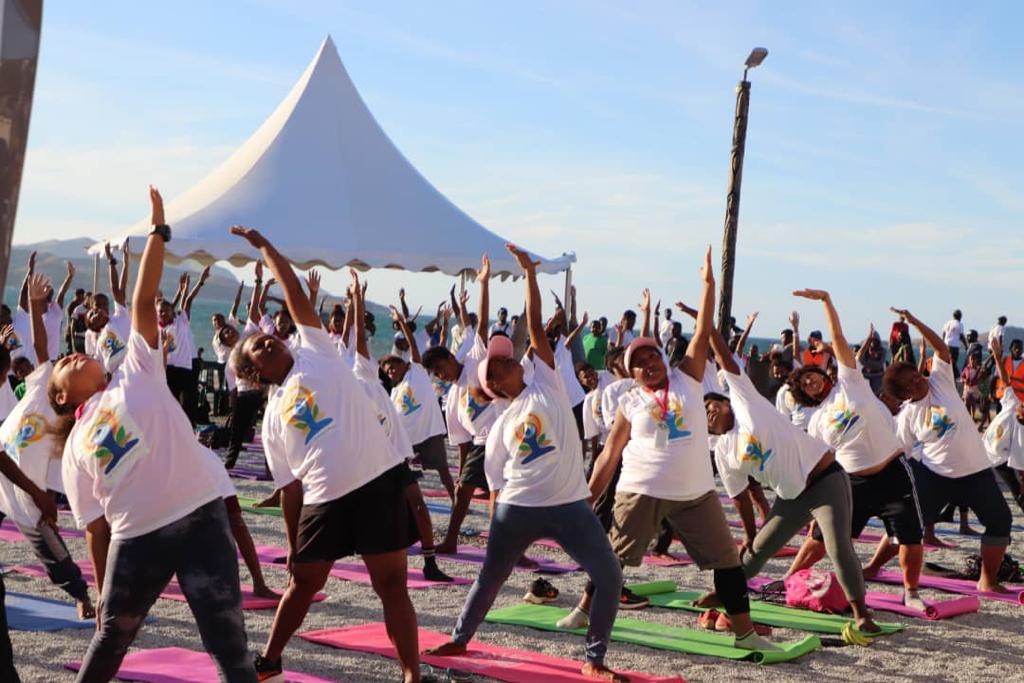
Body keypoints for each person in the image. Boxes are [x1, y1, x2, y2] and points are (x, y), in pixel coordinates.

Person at [50, 187, 256, 682]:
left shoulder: (139, 371)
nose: (73, 356)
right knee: (110, 639)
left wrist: (157, 231)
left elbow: (142, 298)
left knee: (229, 646)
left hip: (201, 517)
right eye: (63, 364)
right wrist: (100, 593)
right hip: (135, 537)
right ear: (62, 398)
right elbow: (95, 528)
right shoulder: (75, 447)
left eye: (75, 354)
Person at [228, 225, 433, 683]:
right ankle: (270, 659)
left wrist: (267, 248)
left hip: (376, 483)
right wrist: (292, 543)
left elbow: (296, 294)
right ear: (254, 374)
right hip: (324, 500)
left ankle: (411, 675)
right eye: (257, 349)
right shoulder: (272, 418)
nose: (268, 341)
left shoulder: (316, 353)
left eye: (268, 338)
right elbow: (289, 488)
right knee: (303, 583)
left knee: (392, 586)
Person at [424, 243, 627, 683]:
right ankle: (460, 638)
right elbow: (495, 479)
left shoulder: (547, 386)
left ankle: (594, 659)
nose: (514, 358)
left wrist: (531, 275)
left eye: (510, 355)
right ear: (495, 381)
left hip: (570, 504)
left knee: (608, 575)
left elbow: (535, 330)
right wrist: (499, 518)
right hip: (517, 506)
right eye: (503, 361)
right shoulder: (500, 424)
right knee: (490, 577)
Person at [564, 248, 775, 650]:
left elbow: (702, 333)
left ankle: (746, 634)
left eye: (652, 356)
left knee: (727, 560)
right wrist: (588, 495)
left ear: (663, 359)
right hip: (640, 489)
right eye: (639, 362)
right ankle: (584, 608)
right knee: (615, 556)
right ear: (632, 371)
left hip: (696, 493)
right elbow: (610, 453)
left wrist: (708, 284)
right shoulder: (630, 401)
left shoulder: (688, 378)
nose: (648, 364)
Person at [704, 324, 880, 633]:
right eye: (703, 414)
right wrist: (748, 535)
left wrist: (707, 327)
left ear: (723, 401)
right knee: (755, 551)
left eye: (711, 405)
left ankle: (861, 613)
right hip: (790, 496)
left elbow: (725, 358)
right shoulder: (723, 452)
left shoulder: (746, 402)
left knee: (838, 547)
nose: (709, 412)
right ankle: (727, 597)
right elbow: (740, 497)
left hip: (826, 480)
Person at [776, 290, 925, 611]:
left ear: (823, 374)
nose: (811, 382)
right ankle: (788, 578)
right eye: (805, 385)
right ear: (804, 395)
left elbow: (839, 337)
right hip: (850, 485)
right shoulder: (816, 423)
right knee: (821, 539)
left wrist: (827, 301)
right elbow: (816, 464)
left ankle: (911, 591)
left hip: (892, 473)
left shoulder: (850, 382)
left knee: (910, 537)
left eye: (812, 377)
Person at [885, 307, 1013, 593]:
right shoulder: (906, 416)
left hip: (976, 471)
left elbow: (941, 349)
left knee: (1000, 520)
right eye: (911, 383)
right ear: (904, 393)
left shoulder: (940, 382)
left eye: (917, 375)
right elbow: (901, 453)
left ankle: (988, 580)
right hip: (936, 476)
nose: (920, 380)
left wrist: (915, 321)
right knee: (907, 524)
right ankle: (872, 566)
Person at [0, 274, 95, 619]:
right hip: (3, 468)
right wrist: (37, 308)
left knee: (50, 547)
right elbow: (42, 346)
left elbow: (65, 468)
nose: (63, 361)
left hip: (28, 488)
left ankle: (81, 594)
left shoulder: (74, 420)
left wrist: (49, 499)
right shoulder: (44, 382)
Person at [421, 258, 504, 559]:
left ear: (450, 357)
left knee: (504, 494)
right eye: (436, 374)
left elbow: (481, 323)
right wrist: (460, 472)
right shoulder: (451, 400)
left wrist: (483, 284)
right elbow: (462, 442)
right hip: (482, 443)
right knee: (465, 489)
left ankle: (505, 546)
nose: (441, 374)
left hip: (503, 433)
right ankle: (453, 539)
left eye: (441, 367)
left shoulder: (474, 360)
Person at [383, 305, 458, 501]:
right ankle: (400, 504)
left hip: (429, 433)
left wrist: (401, 322)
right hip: (407, 440)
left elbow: (414, 345)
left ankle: (456, 502)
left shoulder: (416, 371)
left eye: (393, 367)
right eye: (387, 370)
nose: (390, 371)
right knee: (400, 474)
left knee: (443, 473)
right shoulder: (395, 391)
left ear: (403, 364)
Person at [159, 265, 209, 425]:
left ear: (172, 312)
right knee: (169, 403)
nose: (163, 313)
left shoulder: (181, 321)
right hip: (168, 369)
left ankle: (190, 433)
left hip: (186, 368)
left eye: (166, 311)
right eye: (160, 311)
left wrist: (198, 283)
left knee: (189, 404)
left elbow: (187, 301)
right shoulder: (156, 327)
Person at [984, 337, 1024, 514]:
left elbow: (1020, 462)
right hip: (984, 448)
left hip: (998, 458)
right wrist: (998, 358)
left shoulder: (1021, 431)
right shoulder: (1012, 401)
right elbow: (1005, 380)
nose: (1021, 407)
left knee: (1014, 488)